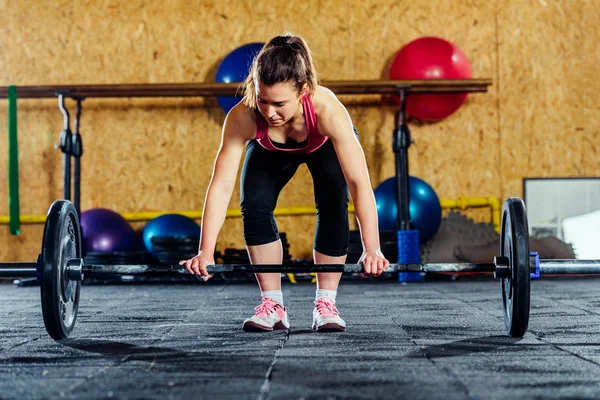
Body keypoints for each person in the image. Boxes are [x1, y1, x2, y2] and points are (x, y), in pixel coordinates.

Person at [180, 33, 389, 333]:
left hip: (322, 145)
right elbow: (221, 185)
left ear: (304, 90)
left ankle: (326, 304)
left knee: (333, 203)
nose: (269, 112)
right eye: (262, 100)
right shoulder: (244, 115)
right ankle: (272, 305)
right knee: (254, 205)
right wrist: (206, 251)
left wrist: (373, 248)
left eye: (279, 103)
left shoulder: (326, 111)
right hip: (270, 150)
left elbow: (358, 182)